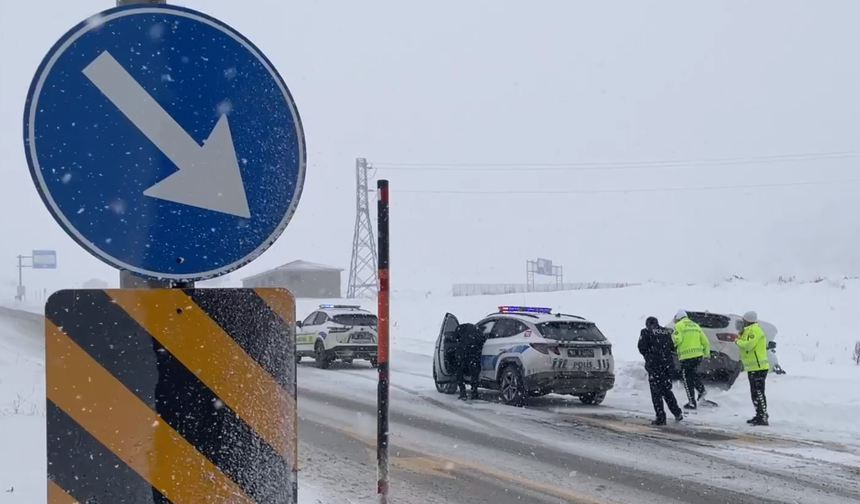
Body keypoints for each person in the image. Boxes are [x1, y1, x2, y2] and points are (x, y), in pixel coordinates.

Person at [638, 316, 684, 425]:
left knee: (656, 393)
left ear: (648, 324)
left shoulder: (645, 332)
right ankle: (677, 412)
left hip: (655, 366)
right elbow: (672, 346)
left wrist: (649, 357)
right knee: (667, 391)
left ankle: (661, 417)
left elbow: (641, 347)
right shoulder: (665, 332)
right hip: (667, 366)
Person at [671, 309, 710, 410]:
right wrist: (706, 354)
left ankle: (692, 402)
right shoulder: (695, 325)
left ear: (678, 317)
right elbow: (705, 341)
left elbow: (677, 340)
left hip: (686, 356)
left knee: (686, 378)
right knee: (692, 374)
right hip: (698, 355)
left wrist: (671, 344)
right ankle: (701, 390)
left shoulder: (678, 326)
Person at [736, 311, 769, 426]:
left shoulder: (754, 331)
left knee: (759, 392)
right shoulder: (750, 331)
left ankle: (763, 416)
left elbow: (748, 345)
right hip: (753, 366)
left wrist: (738, 341)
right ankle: (759, 414)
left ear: (747, 321)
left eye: (744, 320)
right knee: (754, 393)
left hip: (758, 367)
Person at [452, 322, 486, 400]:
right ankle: (474, 393)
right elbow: (482, 341)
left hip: (463, 355)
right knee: (474, 373)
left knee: (459, 372)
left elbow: (456, 340)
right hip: (473, 356)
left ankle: (463, 392)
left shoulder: (461, 331)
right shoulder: (477, 331)